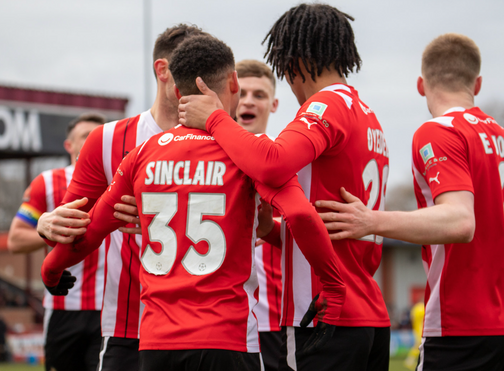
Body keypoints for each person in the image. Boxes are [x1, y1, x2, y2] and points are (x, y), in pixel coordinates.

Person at [40, 34, 346, 371]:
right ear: (234, 84)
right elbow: (302, 216)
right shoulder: (249, 151)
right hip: (228, 337)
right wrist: (332, 283)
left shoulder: (141, 153)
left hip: (157, 340)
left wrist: (51, 269)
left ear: (175, 90)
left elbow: (91, 228)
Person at [316, 33, 504, 370]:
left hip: (463, 327)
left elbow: (459, 221)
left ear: (421, 85)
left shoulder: (438, 132)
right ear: (477, 83)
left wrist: (371, 220)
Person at [178, 2, 391, 371]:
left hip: (324, 314)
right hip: (366, 311)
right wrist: (271, 231)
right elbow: (328, 225)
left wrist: (213, 118)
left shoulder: (326, 105)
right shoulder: (366, 115)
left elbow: (272, 163)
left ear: (295, 61)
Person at [34, 24, 206, 371]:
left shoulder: (225, 138)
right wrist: (47, 224)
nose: (198, 81)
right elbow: (75, 223)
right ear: (162, 70)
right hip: (129, 324)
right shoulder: (109, 139)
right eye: (187, 68)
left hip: (207, 329)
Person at [8, 113, 105, 371]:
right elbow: (16, 239)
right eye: (86, 136)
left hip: (111, 309)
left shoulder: (122, 180)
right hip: (63, 305)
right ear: (69, 146)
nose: (93, 141)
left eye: (98, 136)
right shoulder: (48, 182)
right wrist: (48, 232)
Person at [235, 59, 283, 371]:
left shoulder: (287, 161)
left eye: (259, 95)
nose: (249, 101)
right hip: (226, 322)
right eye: (241, 93)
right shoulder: (205, 161)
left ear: (274, 104)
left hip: (277, 321)